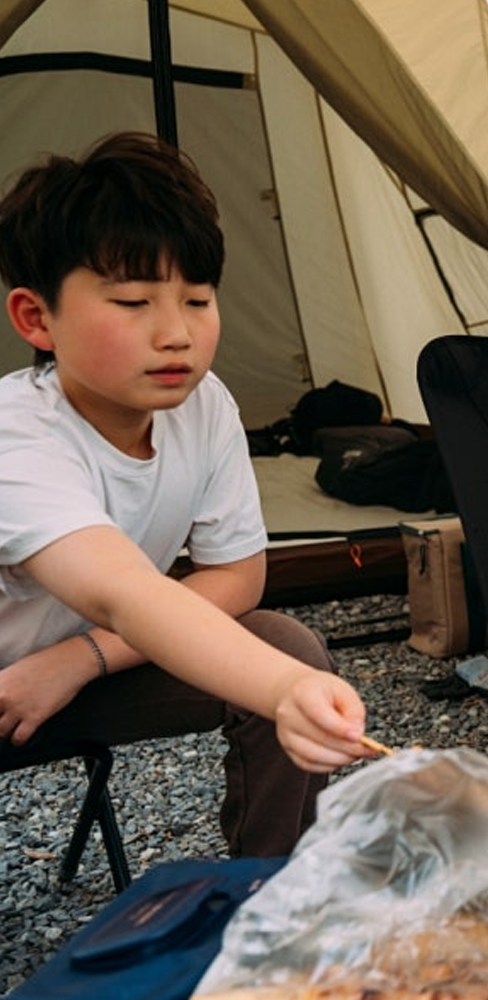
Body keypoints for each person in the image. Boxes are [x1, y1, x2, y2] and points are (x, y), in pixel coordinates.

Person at [0, 132, 379, 857]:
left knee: (284, 649)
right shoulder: (18, 436)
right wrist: (280, 690)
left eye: (197, 299)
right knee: (276, 677)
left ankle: (270, 904)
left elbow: (239, 575)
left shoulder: (204, 407)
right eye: (133, 300)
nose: (176, 333)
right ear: (36, 319)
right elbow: (123, 592)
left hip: (76, 675)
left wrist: (80, 660)